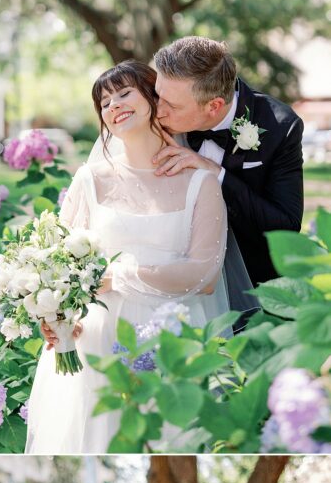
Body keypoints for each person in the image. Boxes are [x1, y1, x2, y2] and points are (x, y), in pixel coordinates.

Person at [26, 59, 228, 454]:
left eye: (123, 93)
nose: (113, 105)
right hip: (94, 341)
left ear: (154, 97)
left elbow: (205, 275)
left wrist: (119, 275)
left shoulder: (201, 182)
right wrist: (52, 318)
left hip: (169, 340)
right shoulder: (89, 181)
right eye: (104, 101)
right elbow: (56, 265)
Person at [152, 36, 304, 292]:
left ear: (214, 106)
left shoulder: (281, 127)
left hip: (251, 283)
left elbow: (285, 227)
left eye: (172, 105)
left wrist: (215, 173)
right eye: (158, 95)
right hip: (171, 277)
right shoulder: (154, 118)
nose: (157, 111)